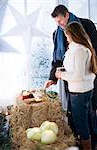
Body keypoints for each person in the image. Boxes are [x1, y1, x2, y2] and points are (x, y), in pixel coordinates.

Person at [44, 4, 97, 149]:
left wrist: (62, 74)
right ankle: (80, 143)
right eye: (56, 22)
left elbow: (93, 53)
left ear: (67, 15)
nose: (59, 25)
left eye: (60, 21)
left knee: (89, 116)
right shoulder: (57, 34)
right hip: (74, 83)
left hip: (85, 81)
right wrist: (53, 77)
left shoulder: (86, 25)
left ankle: (90, 144)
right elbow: (58, 60)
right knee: (77, 117)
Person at [55, 21, 97, 150]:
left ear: (73, 34)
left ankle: (87, 147)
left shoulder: (79, 50)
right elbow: (85, 72)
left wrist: (61, 75)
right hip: (85, 90)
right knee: (88, 120)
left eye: (67, 36)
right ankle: (90, 145)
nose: (66, 39)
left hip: (79, 92)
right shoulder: (81, 48)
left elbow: (78, 76)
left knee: (81, 123)